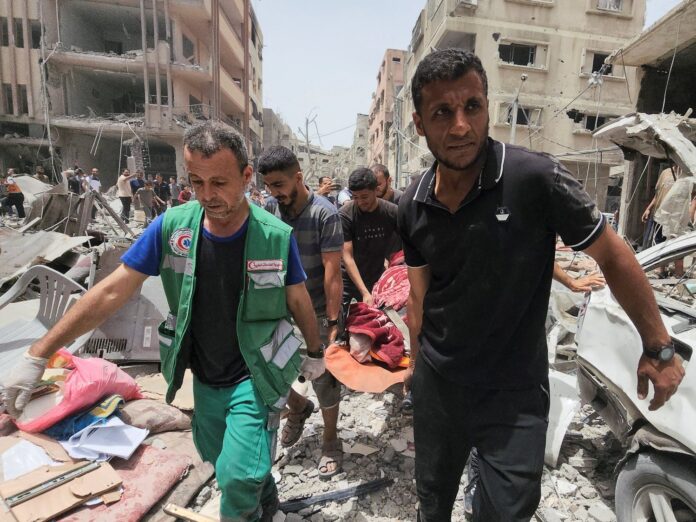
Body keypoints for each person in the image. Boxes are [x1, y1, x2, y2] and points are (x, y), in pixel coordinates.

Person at [398, 49, 684, 522]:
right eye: (442, 112)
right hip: (439, 385)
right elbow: (419, 295)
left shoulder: (534, 178)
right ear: (419, 122)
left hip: (514, 392)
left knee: (505, 512)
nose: (461, 126)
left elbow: (612, 254)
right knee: (432, 501)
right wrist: (413, 363)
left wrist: (659, 346)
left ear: (488, 106)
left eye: (472, 106)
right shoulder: (412, 203)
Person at [0, 121, 327, 522]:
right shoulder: (172, 228)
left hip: (255, 373)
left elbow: (298, 298)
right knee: (220, 458)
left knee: (238, 476)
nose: (207, 195)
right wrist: (38, 354)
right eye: (196, 181)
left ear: (246, 177)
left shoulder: (274, 236)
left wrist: (315, 352)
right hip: (205, 375)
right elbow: (111, 291)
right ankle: (267, 497)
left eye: (219, 182)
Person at [259, 146, 344, 478]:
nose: (273, 192)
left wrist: (333, 321)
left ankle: (331, 441)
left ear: (298, 178)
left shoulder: (325, 214)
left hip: (318, 309)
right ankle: (298, 407)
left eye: (279, 185)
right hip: (280, 309)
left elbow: (332, 273)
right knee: (271, 370)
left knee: (322, 377)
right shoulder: (270, 209)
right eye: (268, 186)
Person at [340, 168, 399, 307]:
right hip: (349, 280)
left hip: (377, 277)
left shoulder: (391, 212)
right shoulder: (345, 215)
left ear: (376, 190)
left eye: (364, 197)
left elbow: (408, 242)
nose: (360, 202)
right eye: (355, 197)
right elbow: (347, 257)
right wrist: (364, 292)